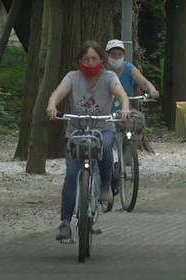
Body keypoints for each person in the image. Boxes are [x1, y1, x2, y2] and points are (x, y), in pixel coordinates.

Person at [46, 40, 130, 240]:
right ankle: (65, 222)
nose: (90, 62)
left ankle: (104, 186)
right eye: (86, 59)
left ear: (102, 59)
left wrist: (125, 108)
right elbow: (57, 94)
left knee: (107, 145)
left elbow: (121, 95)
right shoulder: (72, 77)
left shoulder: (109, 77)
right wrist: (52, 106)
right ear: (79, 60)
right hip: (76, 131)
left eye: (94, 58)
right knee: (72, 174)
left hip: (103, 128)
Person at [105, 39, 159, 113]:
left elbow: (144, 83)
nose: (116, 57)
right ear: (107, 55)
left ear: (123, 55)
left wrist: (152, 90)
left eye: (119, 54)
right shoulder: (101, 71)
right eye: (113, 54)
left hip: (125, 114)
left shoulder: (130, 69)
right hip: (104, 115)